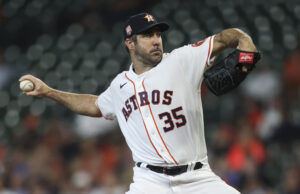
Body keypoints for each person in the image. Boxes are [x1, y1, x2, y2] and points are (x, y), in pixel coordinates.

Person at [19, 13, 258, 194]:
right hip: (149, 182)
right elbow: (95, 105)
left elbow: (228, 37)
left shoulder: (182, 60)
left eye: (157, 34)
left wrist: (245, 44)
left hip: (198, 178)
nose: (156, 40)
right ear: (130, 43)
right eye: (147, 35)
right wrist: (49, 92)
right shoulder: (119, 85)